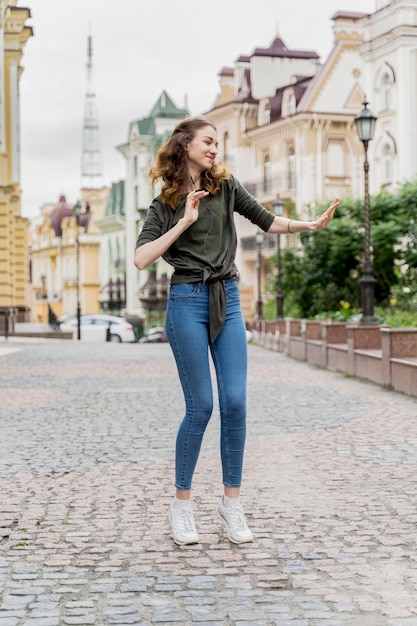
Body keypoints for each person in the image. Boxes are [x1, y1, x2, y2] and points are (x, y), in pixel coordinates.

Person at [134, 116, 339, 546]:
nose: (215, 148)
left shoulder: (226, 186)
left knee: (236, 401)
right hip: (187, 300)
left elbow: (267, 220)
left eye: (217, 142)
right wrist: (184, 221)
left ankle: (231, 504)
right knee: (201, 407)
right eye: (208, 141)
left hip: (227, 297)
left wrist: (307, 226)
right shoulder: (165, 202)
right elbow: (141, 258)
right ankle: (182, 506)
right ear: (185, 145)